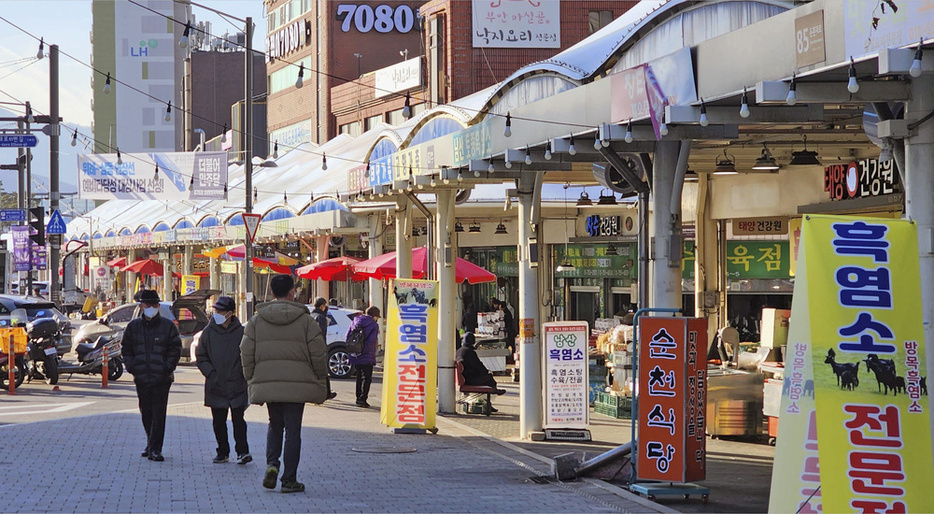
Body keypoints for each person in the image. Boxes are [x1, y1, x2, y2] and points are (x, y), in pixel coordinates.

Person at [241, 274, 327, 494]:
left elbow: (246, 352)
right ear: (292, 293)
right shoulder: (306, 320)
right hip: (298, 385)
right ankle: (289, 480)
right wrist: (319, 377)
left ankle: (272, 464)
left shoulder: (257, 320)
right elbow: (318, 353)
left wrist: (252, 378)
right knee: (293, 431)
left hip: (268, 383)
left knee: (274, 424)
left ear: (272, 293)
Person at [122, 289, 181, 463]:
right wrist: (131, 366)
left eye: (152, 305)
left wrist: (168, 367)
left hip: (162, 378)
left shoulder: (167, 326)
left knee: (159, 414)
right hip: (142, 377)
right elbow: (126, 349)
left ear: (157, 306)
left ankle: (156, 448)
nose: (149, 308)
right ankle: (150, 442)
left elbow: (175, 349)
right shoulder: (134, 327)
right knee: (146, 412)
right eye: (146, 305)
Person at [196, 295, 251, 465]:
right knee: (218, 421)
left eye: (220, 310)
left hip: (237, 383)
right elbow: (201, 356)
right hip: (216, 383)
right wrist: (211, 373)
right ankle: (222, 451)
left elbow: (249, 355)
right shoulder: (208, 332)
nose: (217, 313)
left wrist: (244, 374)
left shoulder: (241, 332)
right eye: (216, 310)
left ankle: (243, 452)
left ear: (230, 313)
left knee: (238, 420)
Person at [456, 332, 506, 411]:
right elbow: (479, 366)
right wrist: (487, 372)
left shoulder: (459, 351)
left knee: (488, 379)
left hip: (464, 378)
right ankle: (491, 397)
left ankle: (489, 401)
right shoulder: (470, 352)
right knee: (489, 379)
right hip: (470, 380)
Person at [346, 306, 380, 408]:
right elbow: (371, 341)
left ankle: (358, 398)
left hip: (355, 352)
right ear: (374, 316)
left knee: (359, 377)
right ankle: (363, 399)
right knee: (367, 378)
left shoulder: (355, 320)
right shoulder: (374, 325)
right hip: (367, 354)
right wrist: (367, 351)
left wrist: (354, 350)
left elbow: (347, 336)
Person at [309, 297, 337, 400]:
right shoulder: (320, 317)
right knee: (323, 371)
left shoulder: (310, 315)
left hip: (309, 346)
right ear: (322, 306)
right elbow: (322, 333)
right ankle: (327, 392)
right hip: (319, 347)